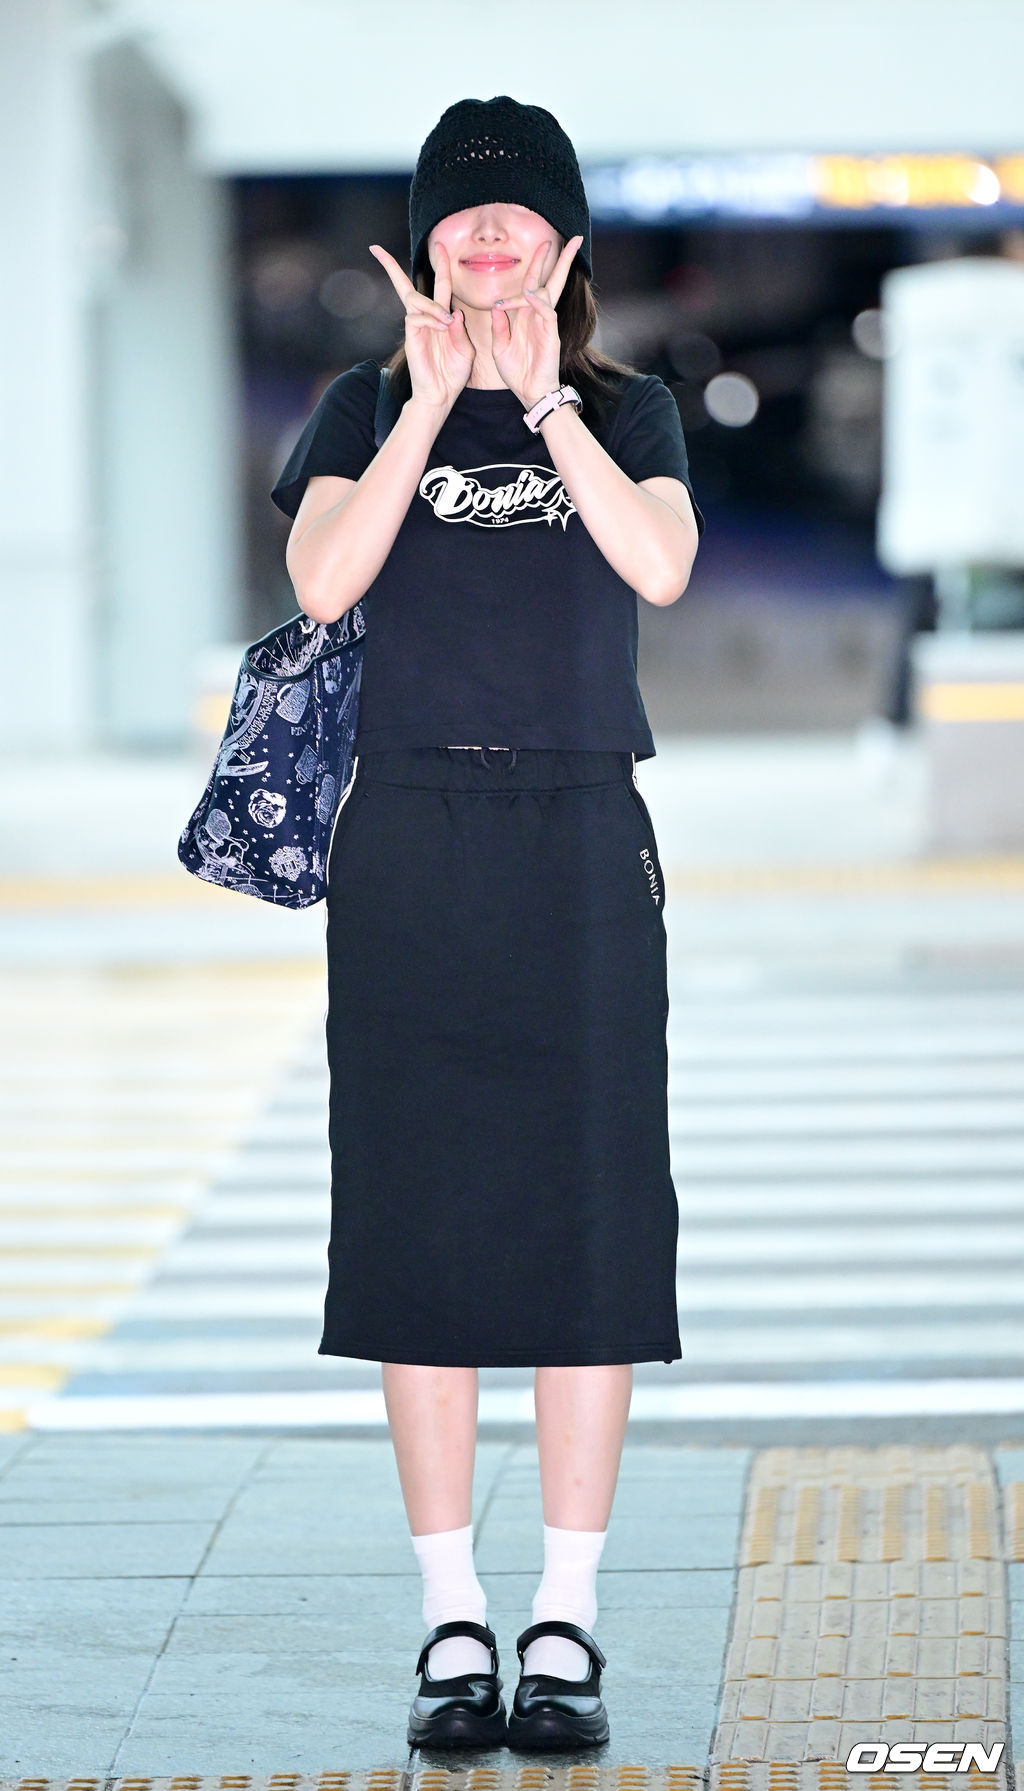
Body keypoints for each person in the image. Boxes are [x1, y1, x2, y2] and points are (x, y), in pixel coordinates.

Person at [270, 95, 706, 1755]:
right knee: (420, 1221)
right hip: (409, 839)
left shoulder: (632, 407)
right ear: (427, 245)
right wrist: (425, 404)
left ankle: (565, 1618)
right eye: (463, 212)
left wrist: (543, 408)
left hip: (582, 836)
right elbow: (326, 583)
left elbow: (658, 567)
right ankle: (454, 1618)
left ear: (565, 244)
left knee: (593, 1220)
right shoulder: (359, 404)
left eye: (521, 211)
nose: (492, 231)